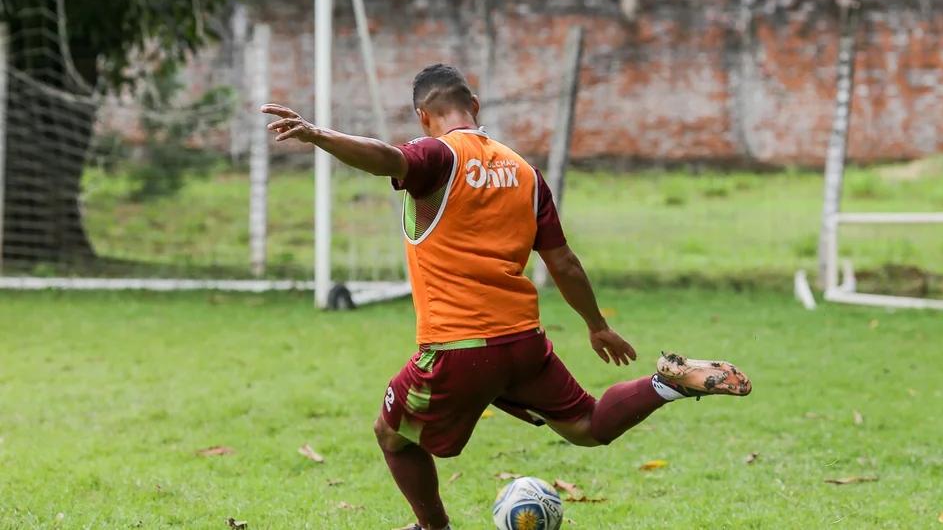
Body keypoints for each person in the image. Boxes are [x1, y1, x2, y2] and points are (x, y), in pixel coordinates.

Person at [262, 63, 752, 530]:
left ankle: (433, 526)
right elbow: (563, 262)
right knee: (587, 425)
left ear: (422, 117)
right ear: (474, 104)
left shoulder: (437, 156)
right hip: (523, 342)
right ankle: (670, 383)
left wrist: (317, 135)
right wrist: (596, 325)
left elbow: (388, 159)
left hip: (459, 346)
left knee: (391, 434)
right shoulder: (524, 173)